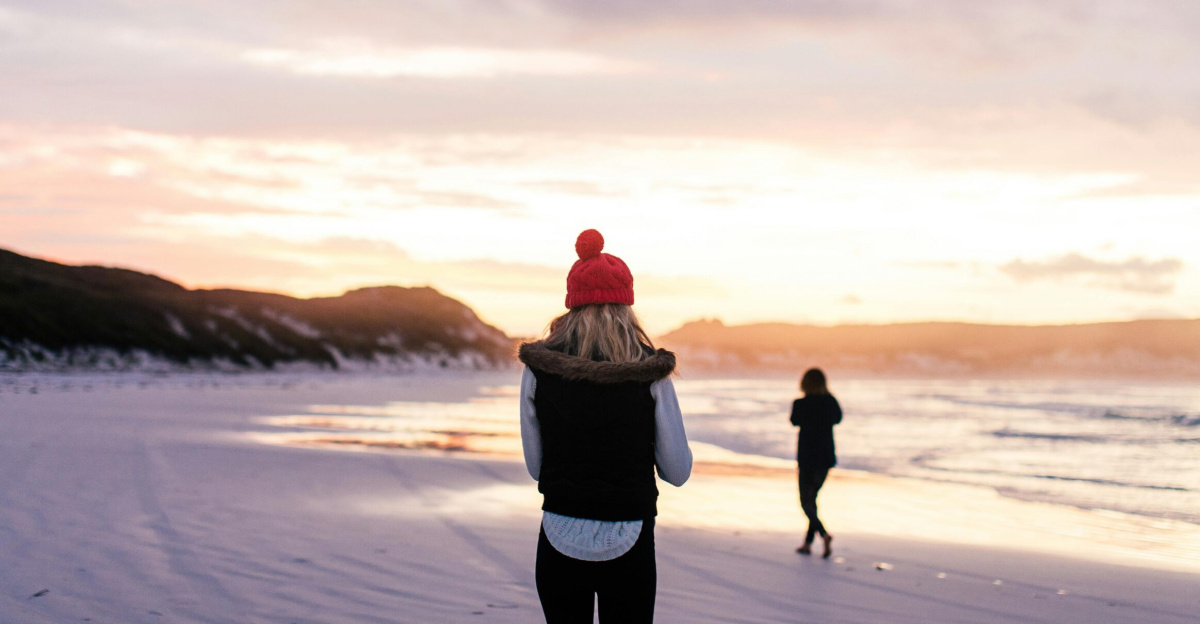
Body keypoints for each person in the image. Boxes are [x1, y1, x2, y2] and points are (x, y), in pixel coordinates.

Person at [518, 229, 692, 624]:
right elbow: (677, 472)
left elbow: (536, 467)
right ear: (626, 306)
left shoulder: (538, 372)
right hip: (628, 534)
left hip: (560, 529)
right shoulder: (652, 373)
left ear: (571, 306)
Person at [789, 367, 841, 558]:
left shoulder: (800, 404)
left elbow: (794, 421)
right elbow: (838, 418)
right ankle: (808, 543)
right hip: (825, 458)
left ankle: (823, 534)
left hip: (806, 458)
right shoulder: (830, 402)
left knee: (806, 501)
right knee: (812, 500)